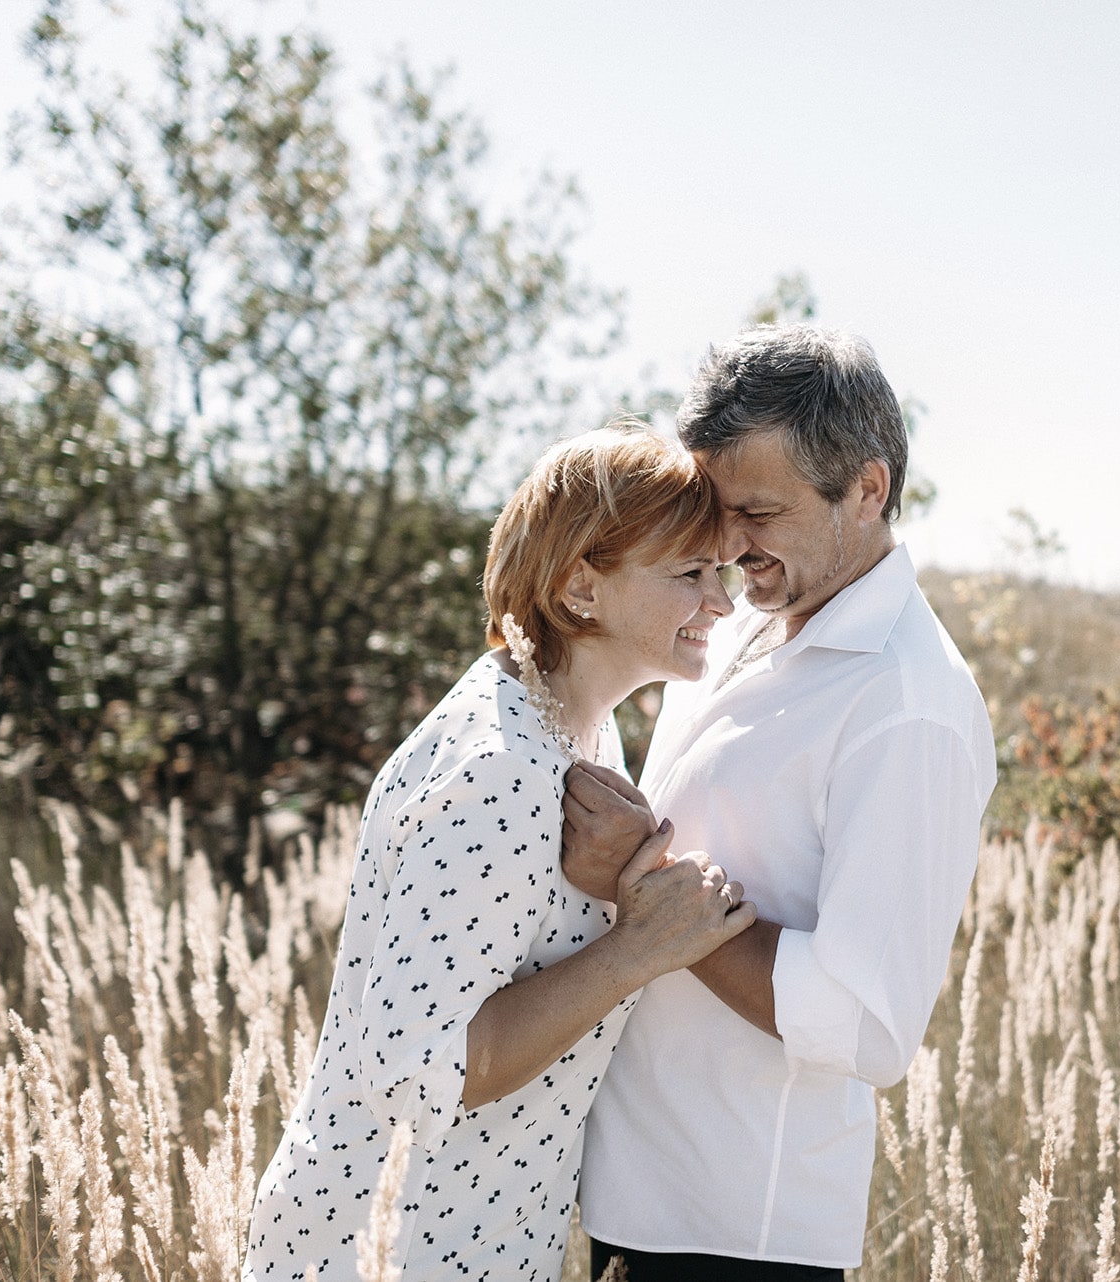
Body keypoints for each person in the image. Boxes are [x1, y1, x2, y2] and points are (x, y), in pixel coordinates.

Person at [242, 425, 756, 1282]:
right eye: (691, 575)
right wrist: (636, 951)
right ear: (579, 586)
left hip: (474, 1236)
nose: (722, 603)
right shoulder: (500, 767)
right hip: (386, 1249)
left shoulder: (578, 738)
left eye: (723, 573)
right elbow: (423, 1068)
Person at [564, 325, 997, 1278]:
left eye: (757, 510)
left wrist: (645, 885)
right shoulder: (734, 625)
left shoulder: (907, 706)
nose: (726, 544)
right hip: (629, 1195)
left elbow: (867, 1024)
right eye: (717, 509)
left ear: (869, 489)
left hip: (736, 1234)